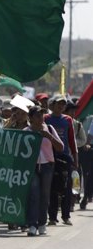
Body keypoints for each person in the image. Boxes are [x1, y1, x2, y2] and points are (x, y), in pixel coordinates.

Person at [25, 106, 63, 236]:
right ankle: (32, 224)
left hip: (47, 166)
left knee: (45, 195)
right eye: (37, 116)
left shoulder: (49, 129)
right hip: (32, 167)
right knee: (34, 195)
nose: (40, 118)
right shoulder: (26, 132)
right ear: (30, 118)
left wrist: (49, 136)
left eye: (42, 115)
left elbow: (60, 147)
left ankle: (42, 223)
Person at [45, 94, 79, 226]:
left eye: (63, 104)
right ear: (52, 105)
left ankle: (66, 216)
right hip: (49, 156)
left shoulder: (68, 120)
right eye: (58, 103)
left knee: (67, 187)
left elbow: (72, 141)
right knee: (52, 188)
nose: (60, 106)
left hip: (65, 157)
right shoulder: (45, 118)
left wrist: (75, 158)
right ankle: (52, 217)